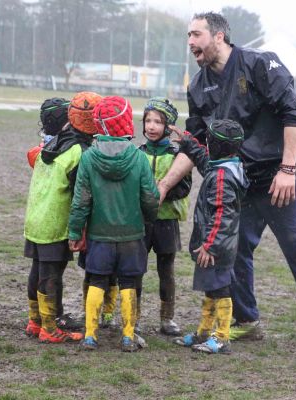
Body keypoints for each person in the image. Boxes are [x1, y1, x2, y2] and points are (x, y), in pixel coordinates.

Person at [158, 11, 296, 355]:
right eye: (188, 36)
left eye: (196, 34)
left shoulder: (259, 64)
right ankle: (248, 322)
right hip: (237, 182)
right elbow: (195, 140)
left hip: (278, 177)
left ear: (219, 36)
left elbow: (294, 114)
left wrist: (287, 170)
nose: (190, 42)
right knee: (234, 248)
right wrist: (165, 185)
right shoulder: (198, 85)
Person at [68, 95, 159, 352]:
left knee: (96, 279)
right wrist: (148, 218)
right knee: (129, 283)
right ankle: (128, 336)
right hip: (132, 235)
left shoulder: (88, 158)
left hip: (99, 235)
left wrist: (75, 230)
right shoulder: (139, 158)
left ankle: (90, 335)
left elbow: (81, 200)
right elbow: (150, 197)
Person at [23, 91, 102, 343]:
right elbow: (82, 194)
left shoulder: (50, 143)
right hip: (54, 222)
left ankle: (35, 321)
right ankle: (49, 328)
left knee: (38, 270)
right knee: (51, 275)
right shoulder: (80, 150)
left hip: (36, 218)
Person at [171, 119, 248, 354]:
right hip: (218, 244)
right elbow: (205, 161)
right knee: (210, 289)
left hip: (216, 247)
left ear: (215, 144)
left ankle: (222, 337)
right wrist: (187, 142)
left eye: (208, 141)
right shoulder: (225, 166)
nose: (206, 144)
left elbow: (222, 215)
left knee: (219, 289)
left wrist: (210, 246)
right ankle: (203, 333)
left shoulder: (222, 176)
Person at [136, 97, 191, 336]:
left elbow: (184, 187)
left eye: (157, 121)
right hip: (139, 222)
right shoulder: (137, 153)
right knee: (135, 269)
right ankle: (133, 317)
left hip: (166, 220)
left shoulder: (177, 155)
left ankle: (167, 318)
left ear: (168, 126)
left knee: (166, 270)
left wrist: (163, 192)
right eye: (148, 120)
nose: (151, 126)